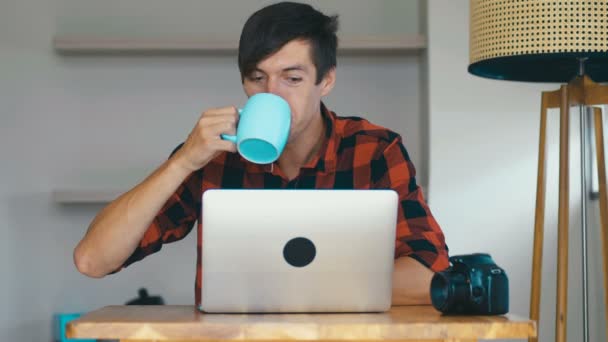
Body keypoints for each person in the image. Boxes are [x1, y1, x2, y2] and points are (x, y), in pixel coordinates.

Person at [73, 1, 449, 306]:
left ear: (327, 80)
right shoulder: (213, 156)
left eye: (293, 78)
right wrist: (183, 160)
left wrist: (295, 287)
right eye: (257, 78)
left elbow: (429, 275)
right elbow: (93, 260)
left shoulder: (374, 149)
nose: (271, 94)